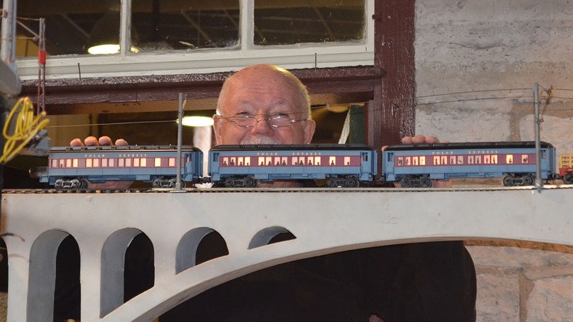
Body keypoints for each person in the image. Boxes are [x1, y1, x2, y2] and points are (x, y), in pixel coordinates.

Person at [71, 64, 477, 321]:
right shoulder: (172, 215)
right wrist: (98, 207)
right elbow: (70, 302)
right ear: (219, 130)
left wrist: (433, 210)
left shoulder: (353, 218)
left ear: (308, 131)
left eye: (280, 115)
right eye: (244, 114)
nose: (261, 128)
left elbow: (442, 314)